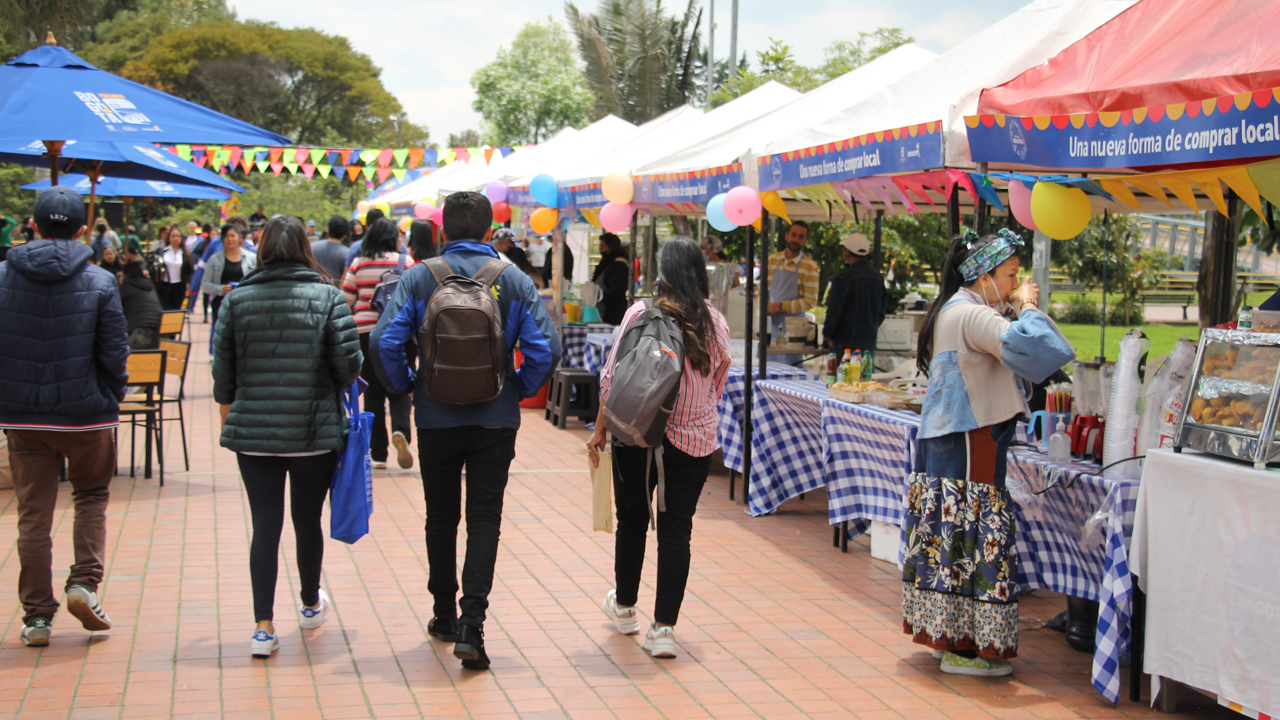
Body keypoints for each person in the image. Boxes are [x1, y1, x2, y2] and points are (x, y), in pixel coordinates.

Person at [373, 191, 561, 671]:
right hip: (495, 418)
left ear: (442, 231)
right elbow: (546, 349)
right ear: (487, 230)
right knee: (484, 519)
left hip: (435, 416)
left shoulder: (419, 277)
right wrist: (516, 388)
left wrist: (411, 386)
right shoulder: (513, 280)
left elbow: (383, 341)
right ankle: (471, 625)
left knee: (440, 517)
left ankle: (441, 612)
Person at [905, 229, 1074, 677]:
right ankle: (969, 646)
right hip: (969, 437)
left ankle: (951, 637)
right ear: (984, 276)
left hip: (955, 438)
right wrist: (1029, 305)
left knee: (954, 532)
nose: (1017, 283)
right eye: (1011, 275)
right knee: (975, 533)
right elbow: (1037, 347)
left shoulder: (957, 310)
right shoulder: (972, 314)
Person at [211, 216, 363, 657]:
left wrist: (231, 413)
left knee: (265, 524)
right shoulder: (329, 299)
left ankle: (263, 627)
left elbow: (224, 373)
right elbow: (348, 368)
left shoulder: (237, 301)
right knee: (306, 520)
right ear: (305, 249)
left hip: (253, 434)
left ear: (260, 250)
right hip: (312, 432)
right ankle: (311, 603)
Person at [586, 237, 731, 659]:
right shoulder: (715, 323)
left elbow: (611, 379)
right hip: (694, 442)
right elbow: (718, 385)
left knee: (632, 520)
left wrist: (600, 429)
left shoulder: (639, 313)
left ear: (661, 272)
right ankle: (664, 629)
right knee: (676, 531)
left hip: (635, 435)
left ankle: (626, 607)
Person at [0, 186, 129, 647]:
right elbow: (115, 352)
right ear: (81, 231)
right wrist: (112, 394)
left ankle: (37, 617)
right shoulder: (100, 281)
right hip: (86, 415)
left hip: (23, 416)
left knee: (33, 514)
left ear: (32, 226)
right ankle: (84, 585)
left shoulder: (2, 276)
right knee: (91, 498)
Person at [341, 218, 414, 470]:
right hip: (398, 331)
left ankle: (378, 454)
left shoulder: (358, 263)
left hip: (364, 332)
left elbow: (345, 298)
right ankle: (401, 431)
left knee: (371, 392)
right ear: (394, 238)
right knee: (401, 384)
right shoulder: (405, 262)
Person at [822, 232, 886, 359]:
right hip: (868, 344)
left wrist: (828, 335)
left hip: (844, 346)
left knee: (843, 379)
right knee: (866, 378)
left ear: (847, 252)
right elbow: (881, 311)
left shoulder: (843, 278)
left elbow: (834, 311)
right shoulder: (878, 278)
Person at [766, 220, 820, 364]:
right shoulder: (772, 260)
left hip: (795, 328)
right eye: (793, 235)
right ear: (786, 235)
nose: (796, 240)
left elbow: (810, 301)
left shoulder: (810, 266)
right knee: (769, 369)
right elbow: (764, 291)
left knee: (791, 370)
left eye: (801, 237)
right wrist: (765, 306)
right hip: (772, 323)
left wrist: (782, 306)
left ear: (806, 240)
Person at [202, 224, 258, 338]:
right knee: (221, 335)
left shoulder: (251, 258)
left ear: (240, 238)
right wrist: (221, 289)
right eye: (226, 236)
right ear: (222, 239)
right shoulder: (214, 260)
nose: (230, 239)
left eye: (233, 236)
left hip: (244, 304)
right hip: (220, 304)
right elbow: (205, 284)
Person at [118, 261, 163, 350]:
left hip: (138, 333)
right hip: (158, 332)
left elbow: (114, 307)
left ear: (125, 275)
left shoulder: (126, 286)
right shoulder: (150, 286)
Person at [591, 232, 630, 324]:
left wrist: (600, 295)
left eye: (603, 246)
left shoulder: (618, 266)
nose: (600, 249)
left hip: (611, 313)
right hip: (603, 310)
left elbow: (617, 292)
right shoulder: (606, 264)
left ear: (611, 247)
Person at [154, 226, 194, 310]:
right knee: (165, 308)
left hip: (179, 286)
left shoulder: (186, 254)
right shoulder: (162, 251)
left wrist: (188, 285)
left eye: (178, 236)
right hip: (164, 285)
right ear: (169, 238)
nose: (175, 239)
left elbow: (189, 271)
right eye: (173, 236)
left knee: (176, 309)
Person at [311, 215, 351, 286]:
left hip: (313, 289)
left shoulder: (311, 247)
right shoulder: (347, 253)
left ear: (328, 231)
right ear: (345, 235)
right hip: (335, 292)